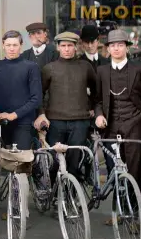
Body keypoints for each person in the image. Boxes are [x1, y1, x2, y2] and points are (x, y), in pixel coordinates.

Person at [94, 29, 141, 190]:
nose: (116, 48)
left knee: (134, 171)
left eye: (120, 45)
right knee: (114, 171)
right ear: (107, 49)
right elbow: (97, 100)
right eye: (112, 45)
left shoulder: (139, 69)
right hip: (110, 126)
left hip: (134, 124)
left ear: (127, 48)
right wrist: (99, 115)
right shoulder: (102, 71)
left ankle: (134, 208)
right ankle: (118, 208)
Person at [36, 31, 97, 184]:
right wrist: (42, 114)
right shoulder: (49, 68)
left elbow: (96, 90)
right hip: (55, 122)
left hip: (80, 122)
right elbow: (39, 94)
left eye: (70, 45)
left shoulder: (85, 67)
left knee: (74, 162)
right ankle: (56, 195)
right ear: (57, 47)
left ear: (76, 47)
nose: (67, 49)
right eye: (63, 46)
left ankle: (72, 197)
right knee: (55, 162)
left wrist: (92, 107)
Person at [0, 30, 43, 151]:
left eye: (15, 45)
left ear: (21, 46)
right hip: (1, 122)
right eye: (8, 45)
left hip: (23, 122)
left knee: (21, 162)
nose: (11, 48)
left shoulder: (31, 67)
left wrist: (13, 115)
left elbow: (36, 99)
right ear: (3, 45)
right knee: (2, 163)